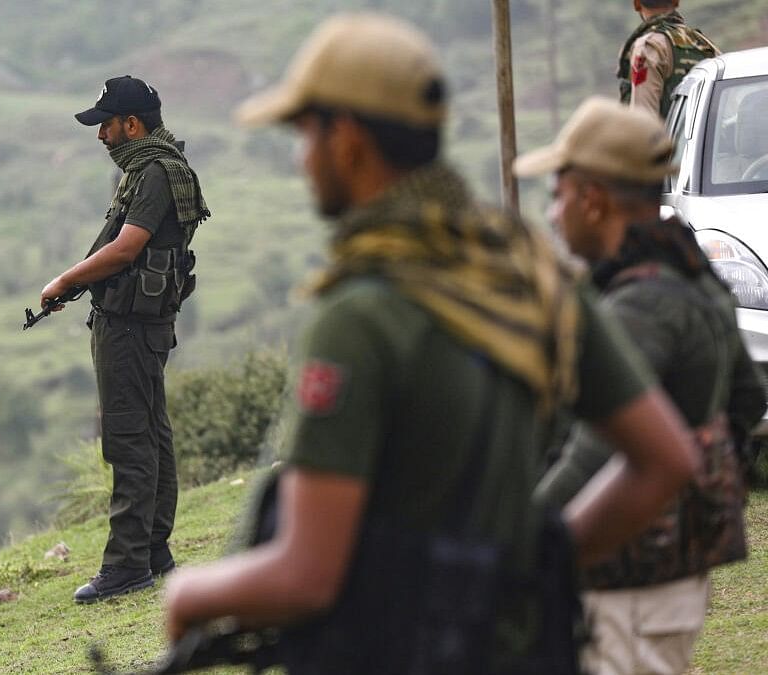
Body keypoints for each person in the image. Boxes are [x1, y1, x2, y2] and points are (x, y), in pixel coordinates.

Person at [162, 13, 700, 672]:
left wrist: (188, 591)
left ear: (350, 140)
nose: (302, 157)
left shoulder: (361, 314)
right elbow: (667, 459)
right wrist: (532, 565)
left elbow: (306, 572)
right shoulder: (529, 272)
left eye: (307, 132)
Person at [517, 97, 765, 675]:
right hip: (667, 579)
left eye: (557, 195)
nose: (552, 215)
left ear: (593, 199)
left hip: (621, 580)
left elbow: (597, 450)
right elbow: (748, 399)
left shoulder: (637, 307)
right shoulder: (695, 278)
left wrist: (519, 549)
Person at [41, 75, 208, 604]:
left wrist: (66, 279)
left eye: (107, 126)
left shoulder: (155, 173)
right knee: (152, 434)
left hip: (131, 328)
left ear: (132, 124)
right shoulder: (153, 169)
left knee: (129, 438)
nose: (101, 137)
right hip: (140, 323)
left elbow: (125, 249)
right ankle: (153, 553)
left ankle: (126, 565)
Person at [618, 0, 719, 118]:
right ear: (676, 2)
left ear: (637, 4)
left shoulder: (648, 47)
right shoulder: (704, 43)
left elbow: (643, 119)